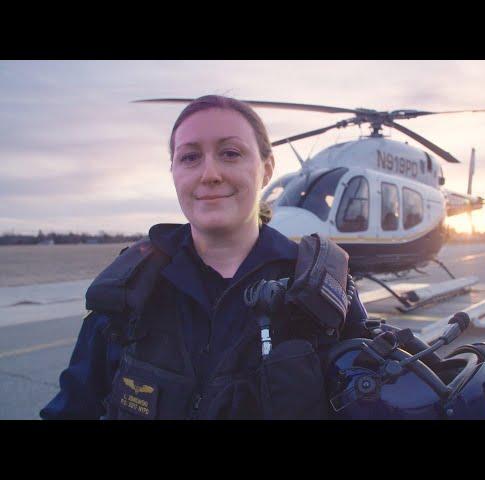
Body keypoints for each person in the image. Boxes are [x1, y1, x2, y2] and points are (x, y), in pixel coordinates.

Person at [40, 95, 369, 420]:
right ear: (173, 172)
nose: (209, 173)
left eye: (230, 153)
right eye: (190, 157)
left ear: (266, 170)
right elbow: (73, 406)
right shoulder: (128, 288)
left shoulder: (319, 289)